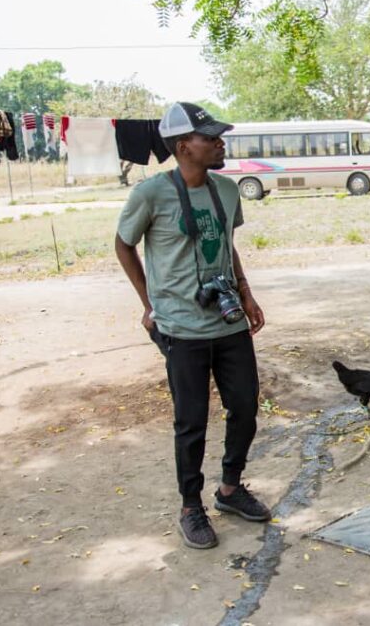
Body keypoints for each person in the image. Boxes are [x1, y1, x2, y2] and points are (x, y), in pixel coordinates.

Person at [115, 102, 270, 549]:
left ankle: (229, 488)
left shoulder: (226, 189)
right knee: (191, 421)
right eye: (211, 137)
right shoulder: (150, 195)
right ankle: (190, 507)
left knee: (244, 407)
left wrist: (245, 291)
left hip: (228, 322)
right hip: (181, 328)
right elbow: (123, 246)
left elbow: (226, 243)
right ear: (184, 147)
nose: (221, 142)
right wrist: (149, 303)